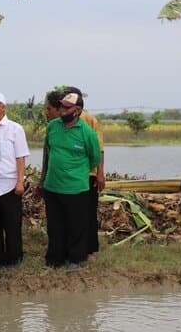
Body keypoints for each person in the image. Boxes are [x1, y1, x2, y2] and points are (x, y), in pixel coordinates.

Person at [42, 92, 101, 271]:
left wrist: (77, 172)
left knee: (77, 225)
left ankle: (76, 259)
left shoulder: (87, 133)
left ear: (78, 111)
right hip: (52, 186)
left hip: (76, 187)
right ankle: (54, 259)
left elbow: (94, 158)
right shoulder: (52, 127)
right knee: (54, 225)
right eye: (61, 107)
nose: (62, 111)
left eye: (67, 108)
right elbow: (48, 151)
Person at [0, 91, 30, 267]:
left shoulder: (15, 129)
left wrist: (20, 181)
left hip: (9, 183)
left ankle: (15, 256)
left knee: (11, 222)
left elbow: (20, 157)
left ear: (2, 107)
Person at [61, 87, 106, 256]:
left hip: (86, 175)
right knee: (82, 213)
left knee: (84, 212)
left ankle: (87, 247)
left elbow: (99, 150)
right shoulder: (59, 122)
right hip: (77, 175)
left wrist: (100, 174)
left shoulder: (89, 120)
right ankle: (82, 247)